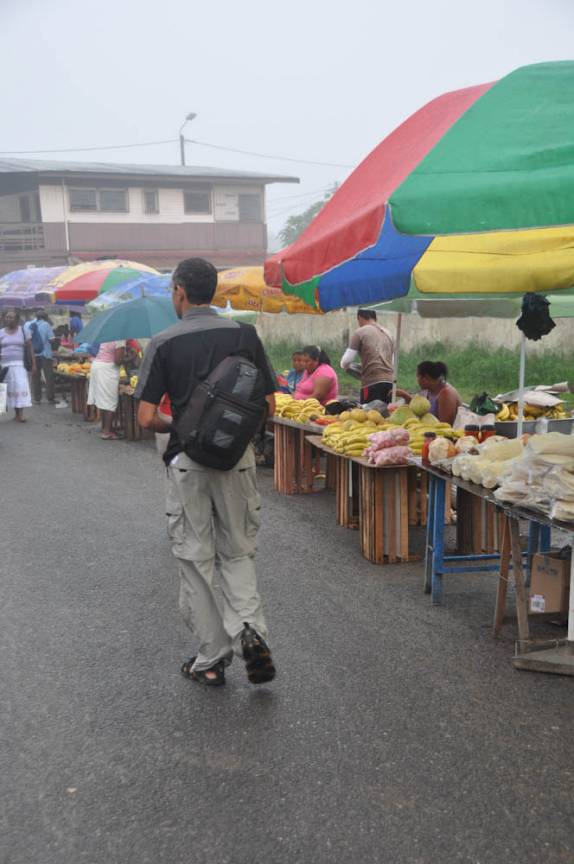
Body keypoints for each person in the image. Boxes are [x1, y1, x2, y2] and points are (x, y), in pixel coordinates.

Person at [135, 257, 277, 688]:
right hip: (238, 461)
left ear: (179, 290)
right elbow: (269, 406)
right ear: (213, 291)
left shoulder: (163, 342)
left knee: (195, 559)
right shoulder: (244, 335)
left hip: (189, 464)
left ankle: (212, 659)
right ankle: (249, 630)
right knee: (238, 552)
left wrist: (180, 425)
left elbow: (146, 418)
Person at [340, 309, 394, 403]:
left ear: (359, 317)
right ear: (375, 317)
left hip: (371, 384)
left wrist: (351, 367)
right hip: (390, 383)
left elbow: (346, 361)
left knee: (369, 411)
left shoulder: (360, 332)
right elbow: (392, 362)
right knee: (386, 411)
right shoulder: (388, 333)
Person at [0, 308, 36, 422]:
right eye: (7, 317)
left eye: (11, 317)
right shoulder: (1, 332)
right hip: (4, 366)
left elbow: (30, 348)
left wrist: (34, 364)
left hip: (20, 365)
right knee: (8, 389)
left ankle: (20, 415)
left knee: (20, 387)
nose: (9, 319)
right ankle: (13, 414)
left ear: (17, 319)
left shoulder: (24, 331)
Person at [402, 361, 462, 426]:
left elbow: (445, 426)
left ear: (426, 378)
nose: (417, 380)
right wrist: (404, 395)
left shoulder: (445, 394)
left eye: (418, 376)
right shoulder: (429, 390)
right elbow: (417, 407)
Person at [87, 340, 125, 439]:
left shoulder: (109, 335)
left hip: (98, 365)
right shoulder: (120, 339)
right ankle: (107, 432)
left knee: (103, 400)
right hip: (107, 369)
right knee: (110, 400)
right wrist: (131, 357)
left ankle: (105, 428)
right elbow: (118, 361)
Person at [25, 311, 55, 404]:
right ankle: (50, 398)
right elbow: (52, 339)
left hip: (34, 354)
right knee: (49, 376)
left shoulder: (29, 324)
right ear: (45, 317)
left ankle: (37, 399)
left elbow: (27, 339)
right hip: (45, 354)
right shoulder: (46, 324)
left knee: (35, 376)